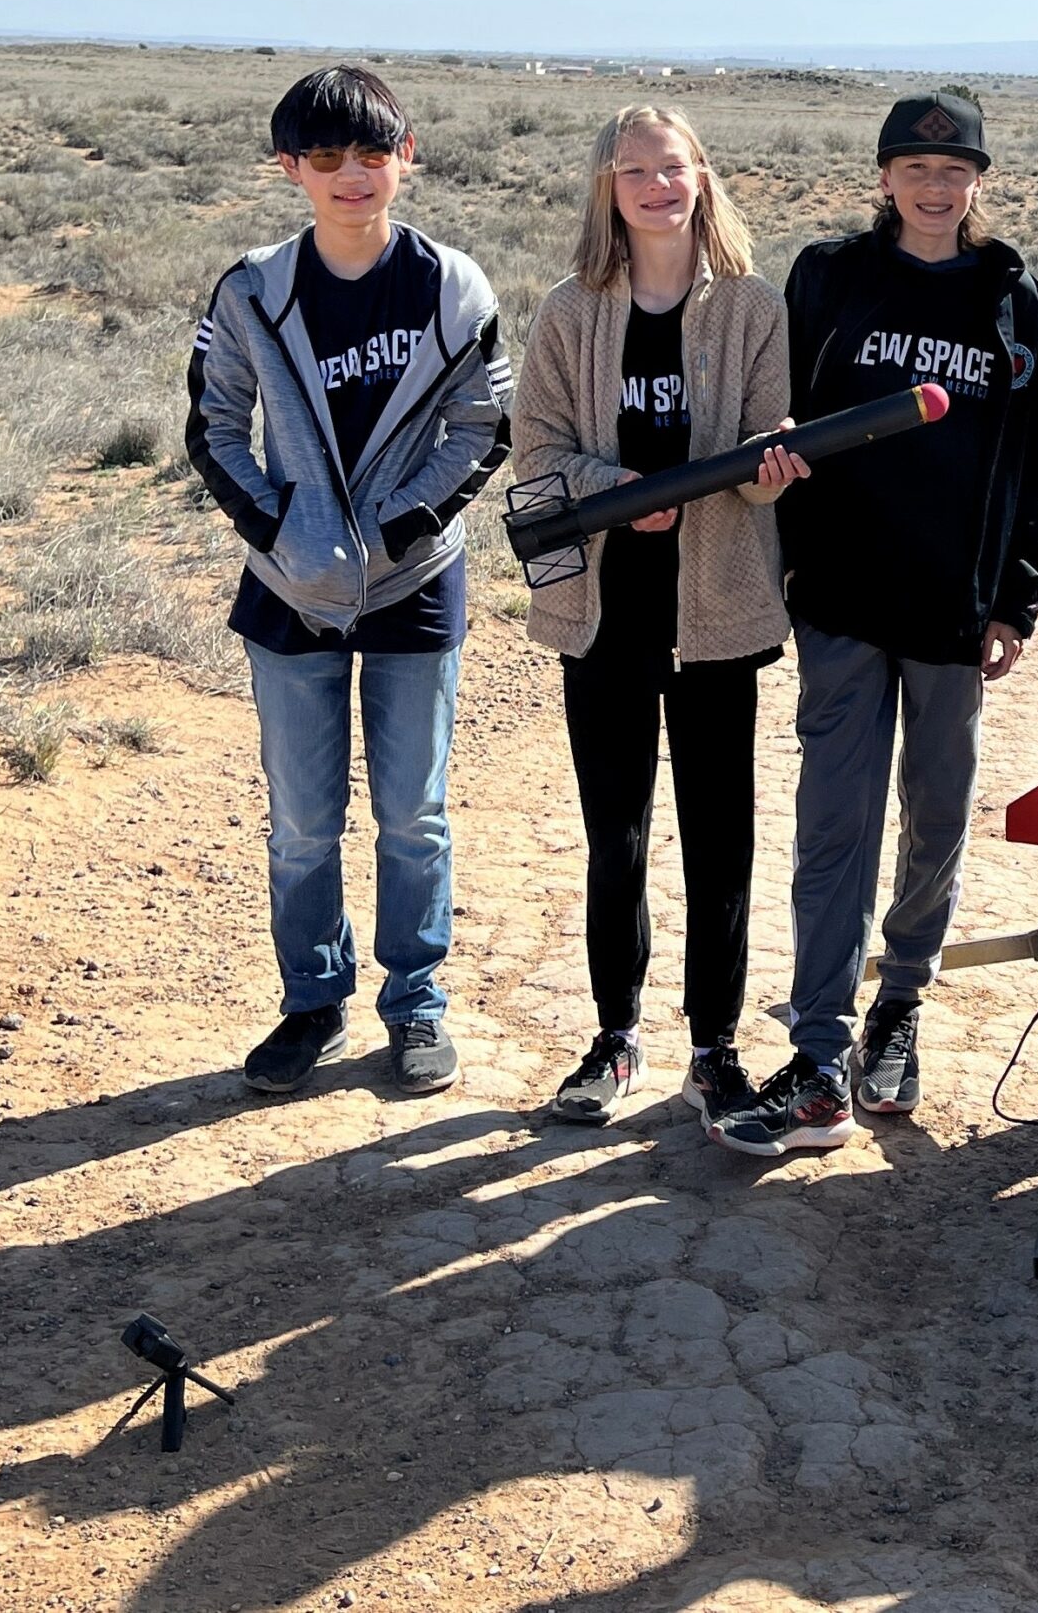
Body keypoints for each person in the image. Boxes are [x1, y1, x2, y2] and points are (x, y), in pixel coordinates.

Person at [714, 91, 1038, 1157]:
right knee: (834, 821)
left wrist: (1018, 594)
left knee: (936, 812)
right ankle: (817, 1041)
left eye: (953, 171)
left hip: (952, 606)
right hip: (843, 596)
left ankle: (898, 1001)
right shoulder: (831, 275)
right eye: (914, 167)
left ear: (978, 183)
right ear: (883, 177)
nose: (934, 186)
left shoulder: (1011, 295)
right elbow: (776, 411)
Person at [186, 65, 511, 1097]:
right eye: (325, 157)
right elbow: (212, 424)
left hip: (414, 579)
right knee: (301, 818)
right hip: (289, 587)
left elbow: (482, 424)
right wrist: (282, 529)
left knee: (413, 810)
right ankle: (311, 1002)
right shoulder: (252, 289)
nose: (351, 175)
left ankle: (414, 1008)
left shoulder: (452, 286)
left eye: (372, 153)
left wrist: (401, 523)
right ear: (290, 169)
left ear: (404, 156)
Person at [511, 105, 806, 1131]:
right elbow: (537, 453)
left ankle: (715, 1047)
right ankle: (614, 1035)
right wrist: (619, 486)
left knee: (720, 837)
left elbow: (773, 466)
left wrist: (768, 473)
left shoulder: (754, 309)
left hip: (717, 609)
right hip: (603, 614)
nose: (655, 185)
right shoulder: (567, 311)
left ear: (701, 177)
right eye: (633, 169)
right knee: (616, 833)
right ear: (608, 187)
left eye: (671, 166)